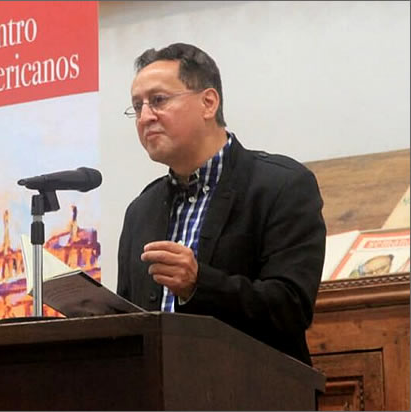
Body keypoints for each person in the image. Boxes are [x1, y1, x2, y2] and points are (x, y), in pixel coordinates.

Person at [116, 43, 326, 365]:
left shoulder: (281, 185)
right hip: (156, 387)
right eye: (137, 106)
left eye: (158, 100)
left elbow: (290, 307)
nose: (145, 117)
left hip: (253, 385)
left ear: (208, 103)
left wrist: (199, 284)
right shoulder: (140, 210)